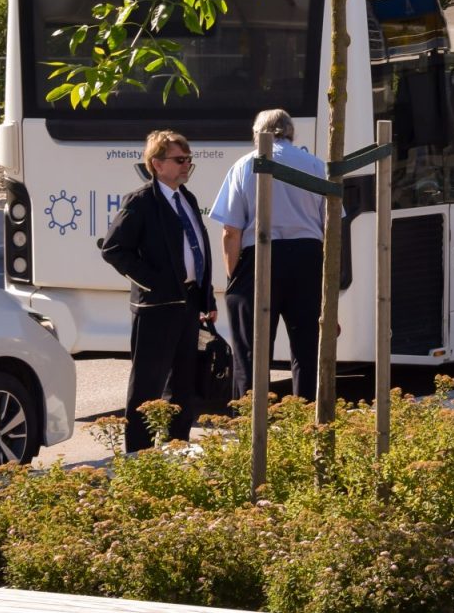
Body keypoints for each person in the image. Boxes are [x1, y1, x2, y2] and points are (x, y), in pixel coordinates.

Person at [100, 129, 217, 453]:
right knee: (147, 386)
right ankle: (138, 455)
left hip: (188, 304)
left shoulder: (186, 198)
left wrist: (206, 297)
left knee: (183, 384)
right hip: (156, 307)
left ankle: (176, 448)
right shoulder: (141, 201)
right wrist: (153, 282)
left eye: (188, 159)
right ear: (157, 163)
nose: (186, 165)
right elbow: (113, 249)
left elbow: (197, 250)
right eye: (179, 160)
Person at [208, 109, 327, 402]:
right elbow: (332, 223)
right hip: (308, 257)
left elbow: (231, 230)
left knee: (251, 349)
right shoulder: (315, 165)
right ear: (291, 133)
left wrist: (234, 275)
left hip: (259, 256)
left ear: (256, 134)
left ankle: (251, 416)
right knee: (307, 348)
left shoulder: (244, 165)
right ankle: (305, 415)